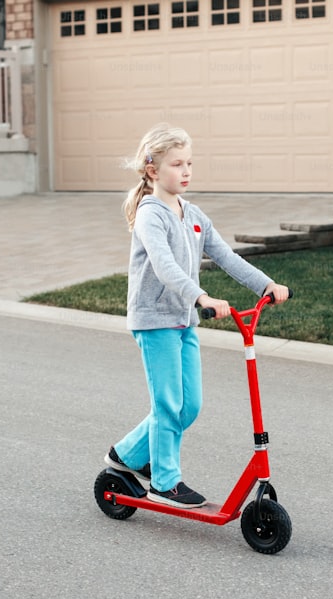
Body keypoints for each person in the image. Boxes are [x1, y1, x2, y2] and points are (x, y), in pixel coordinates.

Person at [104, 123, 290, 508]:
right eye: (177, 164)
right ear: (153, 170)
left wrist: (266, 285)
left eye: (189, 163)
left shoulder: (193, 214)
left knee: (189, 406)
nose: (186, 171)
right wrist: (201, 296)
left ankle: (125, 456)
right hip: (155, 320)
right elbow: (164, 265)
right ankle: (165, 481)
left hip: (184, 320)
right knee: (168, 403)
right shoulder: (149, 214)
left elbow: (226, 256)